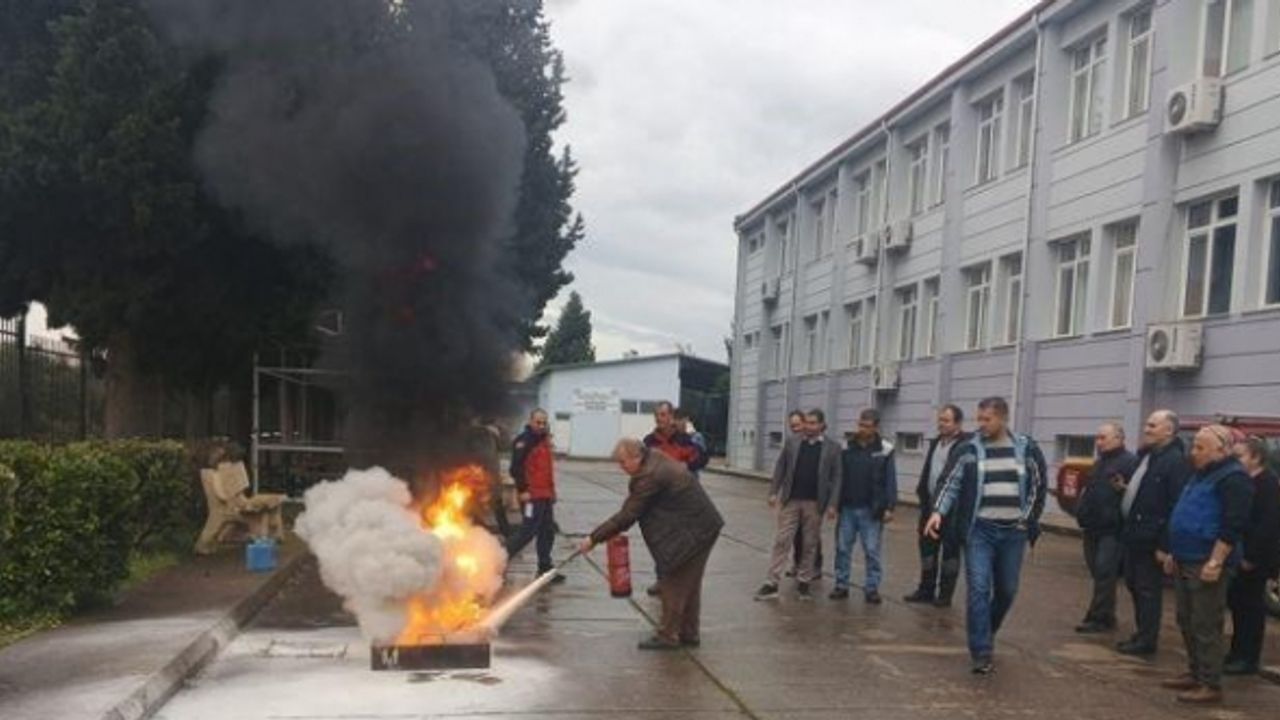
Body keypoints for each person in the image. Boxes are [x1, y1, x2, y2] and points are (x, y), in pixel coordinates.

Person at [925, 396, 1047, 675]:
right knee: (979, 588)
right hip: (979, 530)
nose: (981, 424)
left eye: (987, 419)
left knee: (1007, 590)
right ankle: (981, 651)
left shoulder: (1026, 448)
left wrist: (1026, 520)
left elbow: (1037, 487)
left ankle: (987, 628)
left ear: (1003, 418)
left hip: (1013, 533)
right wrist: (938, 512)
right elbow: (950, 482)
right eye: (978, 418)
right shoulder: (969, 448)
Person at [581, 438, 724, 649]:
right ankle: (688, 632)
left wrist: (594, 538)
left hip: (693, 532)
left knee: (673, 582)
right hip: (701, 526)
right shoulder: (653, 459)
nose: (621, 467)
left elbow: (628, 515)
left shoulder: (649, 476)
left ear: (636, 457)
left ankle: (668, 635)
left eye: (623, 462)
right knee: (689, 585)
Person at [1157, 425, 1253, 704]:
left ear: (1221, 450)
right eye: (1194, 446)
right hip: (1185, 556)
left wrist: (1216, 560)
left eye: (1200, 448)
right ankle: (1195, 672)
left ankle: (1210, 683)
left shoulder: (1234, 478)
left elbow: (1233, 524)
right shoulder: (1200, 475)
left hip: (1207, 561)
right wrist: (1173, 552)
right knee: (1186, 619)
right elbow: (1186, 513)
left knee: (1205, 623)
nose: (1193, 452)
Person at [1115, 409, 1192, 656]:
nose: (1146, 429)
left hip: (1151, 538)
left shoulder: (1175, 462)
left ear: (1168, 430)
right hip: (1134, 533)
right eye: (1147, 425)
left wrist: (1164, 545)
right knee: (1133, 584)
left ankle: (1147, 640)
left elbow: (1175, 505)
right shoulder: (1149, 456)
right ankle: (1141, 633)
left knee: (1147, 589)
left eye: (1152, 426)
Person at [755, 409, 842, 601]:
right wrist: (773, 492)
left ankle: (804, 582)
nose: (808, 427)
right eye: (807, 422)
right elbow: (781, 467)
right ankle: (771, 582)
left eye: (813, 423)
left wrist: (833, 504)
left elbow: (837, 477)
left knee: (810, 543)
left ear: (821, 425)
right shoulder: (792, 442)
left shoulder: (833, 448)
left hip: (815, 503)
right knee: (782, 540)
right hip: (791, 500)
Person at [1074, 422, 1138, 633]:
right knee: (1098, 572)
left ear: (1118, 438)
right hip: (1092, 527)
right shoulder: (1100, 462)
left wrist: (1124, 489)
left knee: (1104, 572)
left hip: (1113, 529)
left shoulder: (1129, 462)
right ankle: (1105, 614)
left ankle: (1099, 617)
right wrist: (1081, 511)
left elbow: (1137, 494)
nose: (1098, 442)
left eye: (1103, 438)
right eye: (1097, 438)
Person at [1223, 435, 1280, 676]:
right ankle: (1237, 651)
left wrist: (1251, 557)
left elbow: (1268, 526)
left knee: (1250, 608)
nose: (1235, 461)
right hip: (1242, 553)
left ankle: (1247, 658)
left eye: (1239, 456)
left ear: (1256, 458)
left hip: (1256, 558)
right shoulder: (1247, 481)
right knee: (1238, 605)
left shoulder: (1267, 484)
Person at [904, 404, 970, 607]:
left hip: (953, 511)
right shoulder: (935, 443)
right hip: (929, 508)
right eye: (940, 419)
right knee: (927, 551)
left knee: (950, 555)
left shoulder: (965, 446)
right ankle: (926, 590)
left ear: (958, 423)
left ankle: (945, 595)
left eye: (946, 420)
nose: (941, 424)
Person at [831, 408, 897, 604]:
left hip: (872, 510)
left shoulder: (885, 449)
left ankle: (872, 588)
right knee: (843, 548)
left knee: (872, 551)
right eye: (860, 425)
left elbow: (890, 480)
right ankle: (841, 585)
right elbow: (838, 477)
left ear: (876, 427)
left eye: (867, 426)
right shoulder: (846, 447)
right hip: (847, 508)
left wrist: (889, 507)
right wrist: (834, 504)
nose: (862, 429)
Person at [506, 408, 562, 582]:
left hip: (545, 496)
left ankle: (545, 567)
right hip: (531, 496)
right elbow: (515, 469)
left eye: (544, 422)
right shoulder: (524, 442)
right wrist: (523, 490)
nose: (541, 425)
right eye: (538, 422)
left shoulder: (545, 442)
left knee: (547, 531)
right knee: (528, 532)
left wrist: (552, 492)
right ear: (530, 422)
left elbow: (547, 471)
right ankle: (499, 560)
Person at [644, 401, 708, 474]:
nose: (658, 418)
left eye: (662, 415)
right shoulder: (649, 441)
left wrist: (686, 466)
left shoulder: (684, 440)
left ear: (671, 416)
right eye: (656, 415)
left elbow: (702, 458)